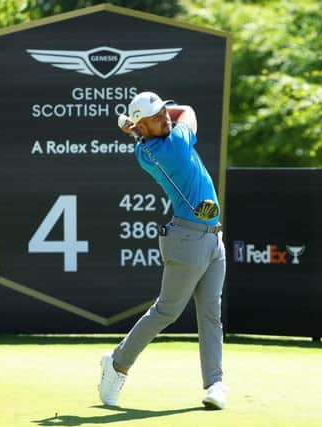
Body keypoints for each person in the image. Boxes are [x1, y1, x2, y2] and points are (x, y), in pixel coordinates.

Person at [98, 91, 227, 410]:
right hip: (188, 240)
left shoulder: (146, 145)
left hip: (212, 238)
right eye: (156, 117)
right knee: (167, 311)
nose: (165, 117)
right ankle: (117, 364)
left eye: (164, 112)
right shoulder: (175, 147)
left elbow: (173, 115)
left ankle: (215, 384)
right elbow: (191, 109)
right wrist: (140, 125)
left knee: (211, 313)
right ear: (143, 127)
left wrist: (141, 124)